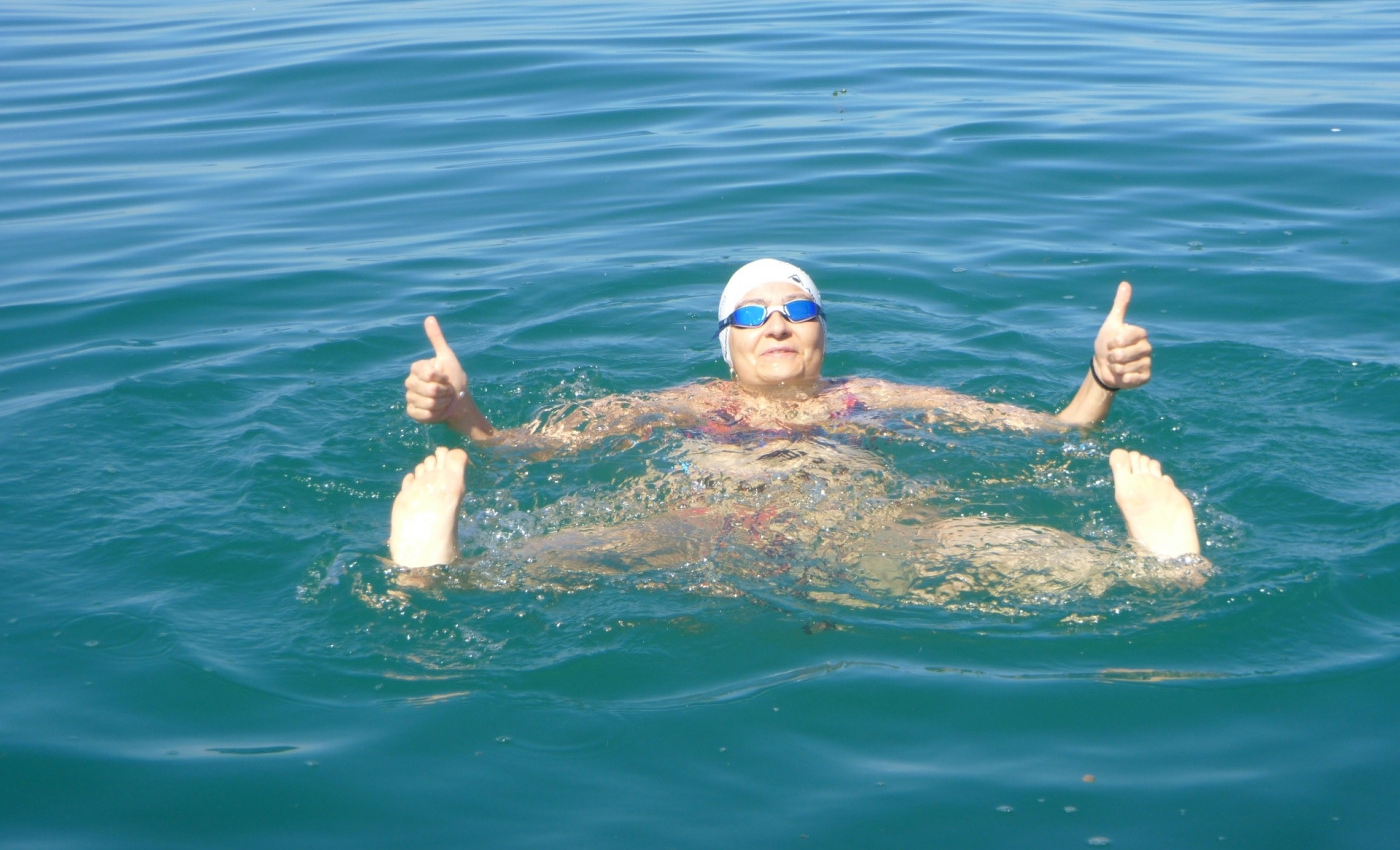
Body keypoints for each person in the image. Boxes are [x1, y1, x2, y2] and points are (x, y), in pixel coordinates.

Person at [388, 259, 1208, 604]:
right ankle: (436, 569)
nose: (777, 322)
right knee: (588, 544)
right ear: (728, 341)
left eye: (798, 307)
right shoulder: (677, 404)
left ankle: (1166, 565)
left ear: (823, 332)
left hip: (867, 527)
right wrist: (463, 415)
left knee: (984, 544)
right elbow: (526, 449)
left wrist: (1101, 378)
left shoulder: (877, 396)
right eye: (752, 312)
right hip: (700, 528)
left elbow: (1051, 433)